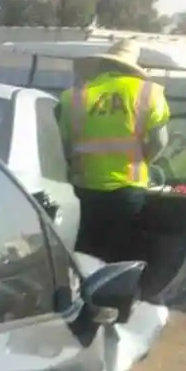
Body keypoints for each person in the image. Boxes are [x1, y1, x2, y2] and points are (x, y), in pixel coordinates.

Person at [57, 38, 170, 263]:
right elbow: (160, 141)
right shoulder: (149, 92)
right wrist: (143, 162)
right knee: (115, 257)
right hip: (126, 190)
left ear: (102, 65)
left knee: (83, 253)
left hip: (83, 187)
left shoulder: (73, 96)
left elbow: (63, 145)